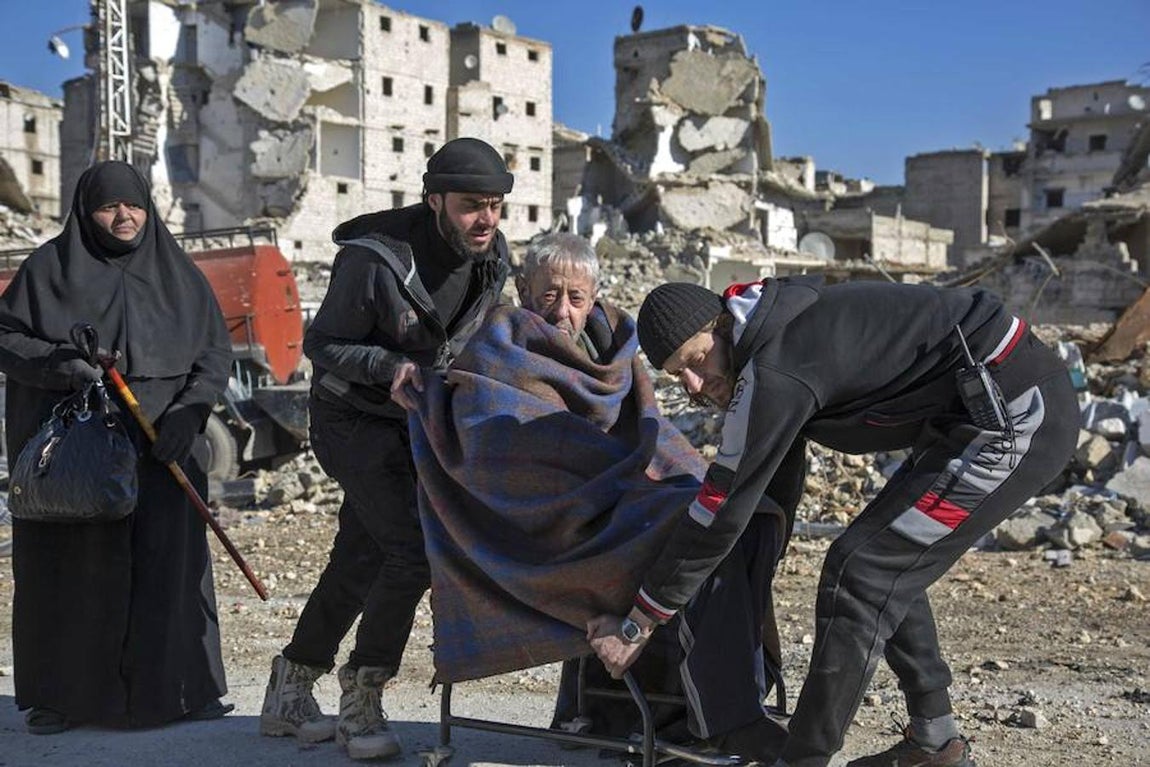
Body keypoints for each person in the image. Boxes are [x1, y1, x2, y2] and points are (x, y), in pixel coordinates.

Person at [588, 277, 1079, 767]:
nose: (694, 384)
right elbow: (767, 494)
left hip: (1014, 415)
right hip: (970, 415)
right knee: (878, 556)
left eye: (696, 361)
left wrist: (640, 622)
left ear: (720, 326)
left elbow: (721, 506)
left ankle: (803, 759)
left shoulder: (775, 368)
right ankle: (935, 744)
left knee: (862, 573)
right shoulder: (771, 333)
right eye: (678, 376)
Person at [397, 233, 790, 760]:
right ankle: (714, 717)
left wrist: (677, 486)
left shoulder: (616, 353)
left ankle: (701, 710)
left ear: (595, 297)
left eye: (576, 298)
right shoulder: (498, 348)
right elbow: (497, 452)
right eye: (548, 295)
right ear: (522, 289)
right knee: (687, 529)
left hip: (619, 507)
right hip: (548, 533)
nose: (563, 311)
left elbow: (649, 436)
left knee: (725, 515)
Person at [259, 138, 513, 761]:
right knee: (410, 552)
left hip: (414, 421)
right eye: (471, 207)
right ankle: (362, 696)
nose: (486, 220)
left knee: (360, 555)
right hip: (350, 418)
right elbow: (321, 345)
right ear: (435, 202)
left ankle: (289, 689)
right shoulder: (374, 263)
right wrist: (388, 366)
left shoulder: (491, 258)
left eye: (496, 206)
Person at [0, 160, 233, 733]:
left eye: (133, 205)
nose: (124, 216)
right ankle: (62, 698)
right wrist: (63, 365)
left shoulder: (178, 273)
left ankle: (182, 691)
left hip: (164, 450)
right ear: (87, 211)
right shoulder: (48, 269)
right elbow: (6, 338)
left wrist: (191, 411)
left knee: (168, 566)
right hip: (83, 452)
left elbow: (213, 353)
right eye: (109, 206)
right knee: (75, 569)